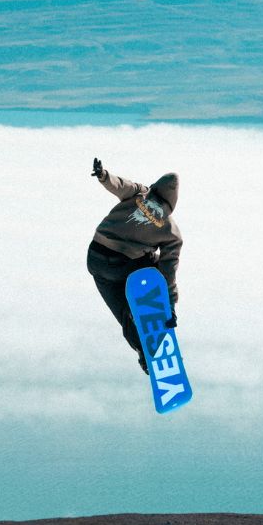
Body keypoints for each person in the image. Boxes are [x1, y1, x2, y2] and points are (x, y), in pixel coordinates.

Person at [87, 157, 182, 374]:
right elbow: (169, 271)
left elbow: (119, 185)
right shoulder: (171, 230)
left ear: (155, 187)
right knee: (155, 265)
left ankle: (143, 351)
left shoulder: (140, 192)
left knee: (123, 314)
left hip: (96, 259)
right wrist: (169, 305)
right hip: (126, 266)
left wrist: (103, 175)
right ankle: (154, 330)